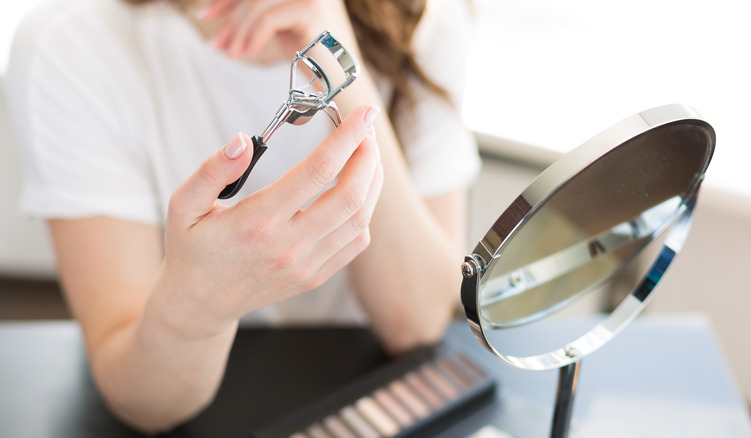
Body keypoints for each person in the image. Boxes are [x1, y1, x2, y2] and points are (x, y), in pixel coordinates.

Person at [6, 0, 480, 432]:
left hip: (367, 397)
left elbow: (418, 324)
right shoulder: (71, 45)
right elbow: (145, 401)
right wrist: (199, 301)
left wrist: (335, 51)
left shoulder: (421, 20)